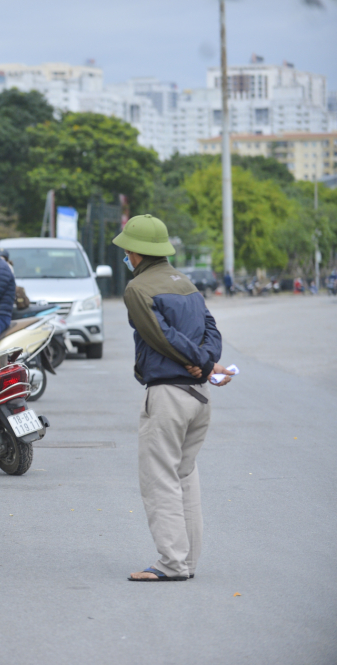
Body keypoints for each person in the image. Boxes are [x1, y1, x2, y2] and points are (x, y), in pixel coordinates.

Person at [113, 214, 235, 582]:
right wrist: (206, 362)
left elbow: (160, 336)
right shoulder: (186, 283)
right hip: (198, 398)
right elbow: (212, 330)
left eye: (126, 250)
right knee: (185, 477)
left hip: (167, 396)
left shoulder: (137, 289)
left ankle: (171, 563)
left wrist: (198, 361)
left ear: (135, 252)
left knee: (160, 480)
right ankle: (187, 562)